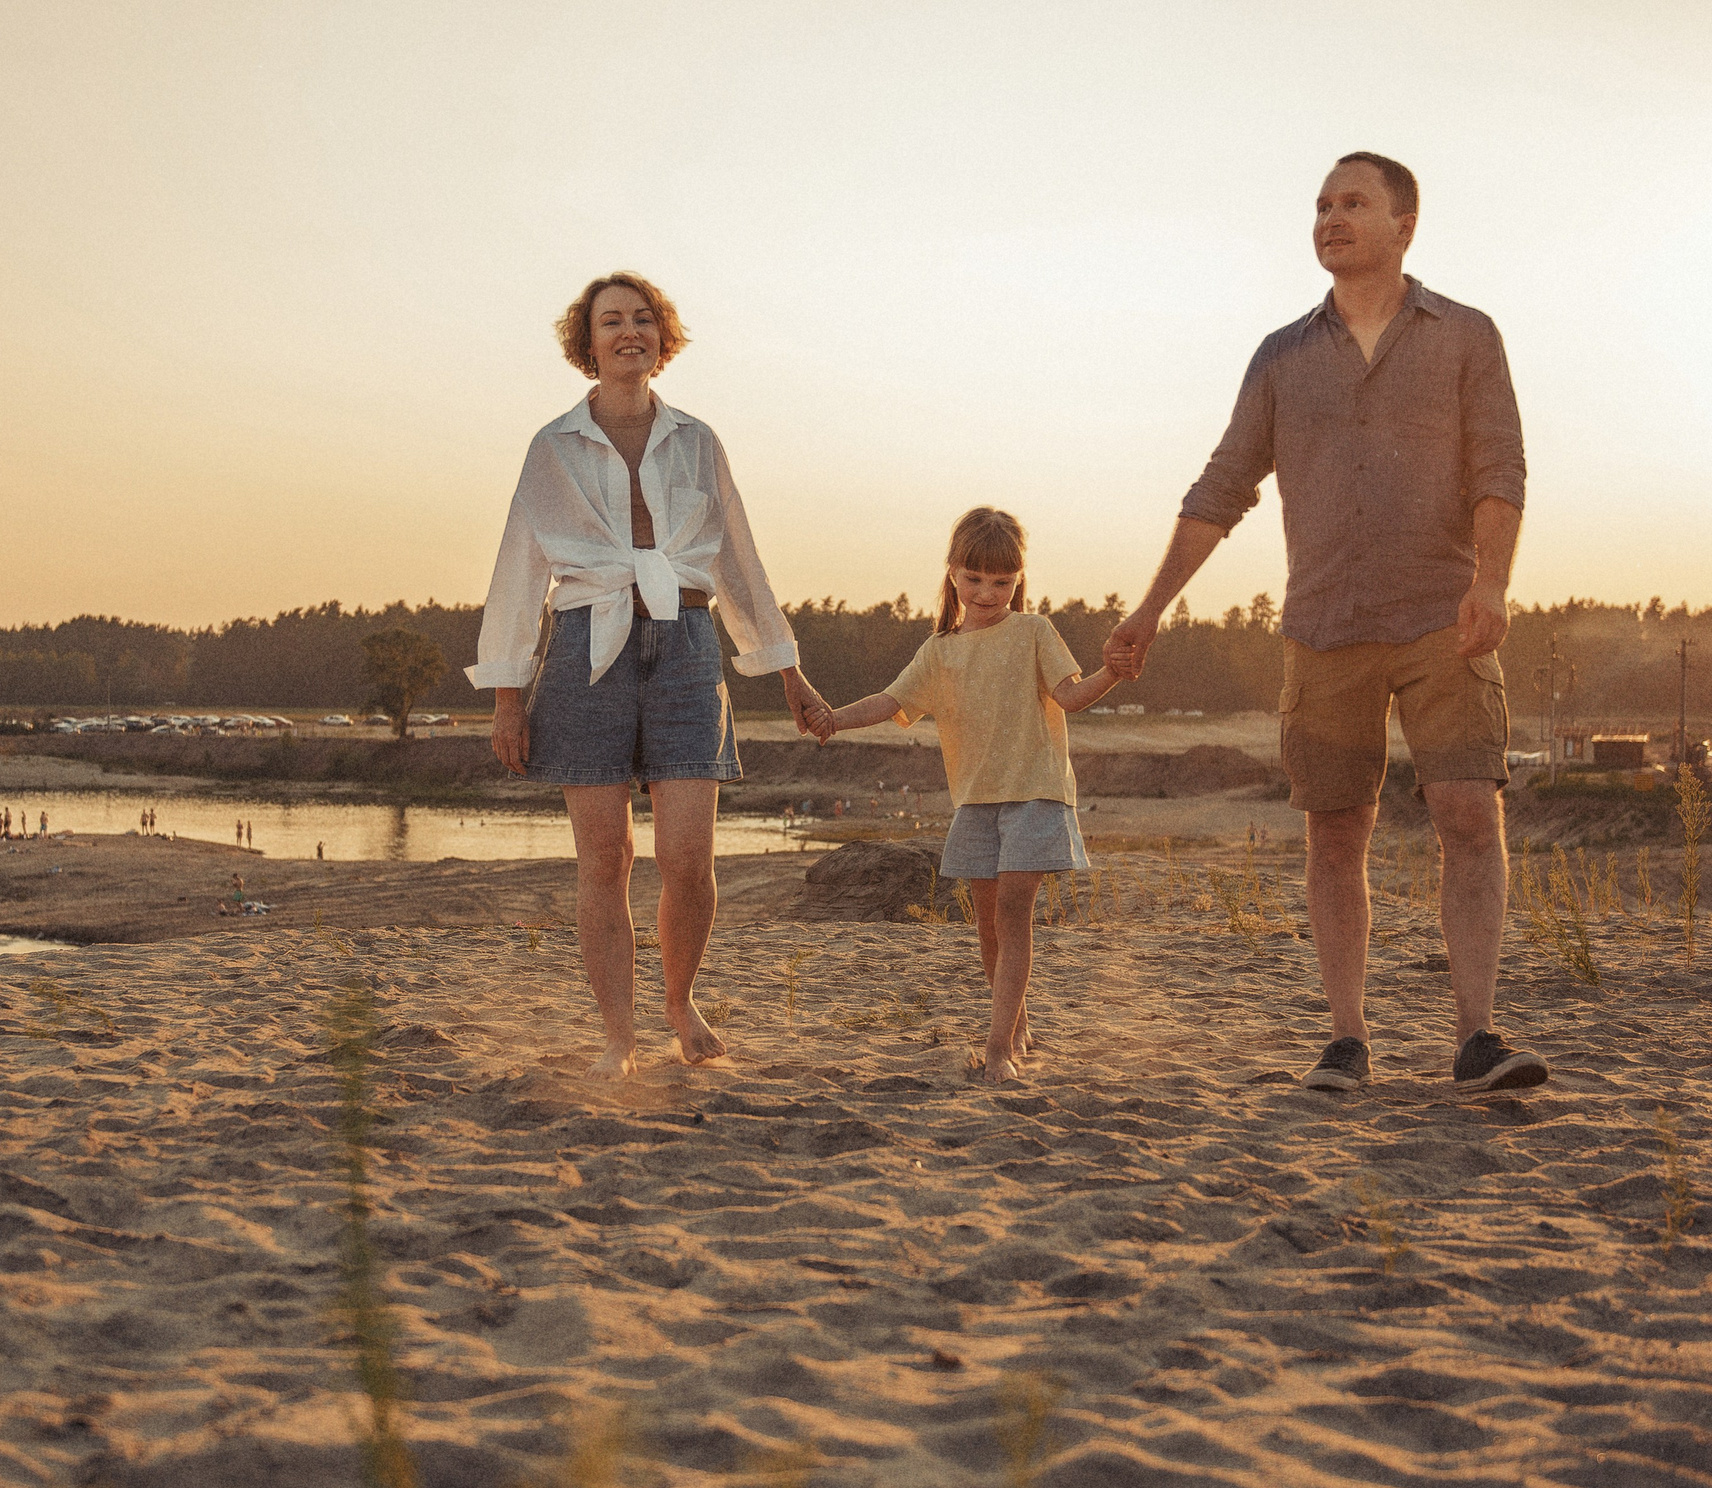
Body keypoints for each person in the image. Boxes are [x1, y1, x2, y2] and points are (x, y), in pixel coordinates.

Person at [1102, 152, 1545, 1095]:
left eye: (1353, 203)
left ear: (1404, 226)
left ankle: (1477, 1037)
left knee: (1468, 810)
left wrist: (1493, 582)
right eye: (1320, 206)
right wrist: (1149, 609)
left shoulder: (1467, 336)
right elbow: (1222, 487)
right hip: (1324, 626)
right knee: (1336, 833)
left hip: (1442, 615)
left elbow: (1500, 467)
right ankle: (1347, 1037)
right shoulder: (1281, 356)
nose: (1330, 218)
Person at [471, 270, 833, 1078]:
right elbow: (520, 567)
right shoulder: (552, 446)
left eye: (642, 320)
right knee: (605, 859)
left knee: (688, 857)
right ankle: (618, 1035)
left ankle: (680, 999)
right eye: (611, 322)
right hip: (583, 647)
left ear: (660, 340)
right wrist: (506, 697)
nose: (627, 332)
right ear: (587, 342)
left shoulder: (698, 441)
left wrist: (787, 671)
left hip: (686, 645)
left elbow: (740, 561)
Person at [806, 508, 1132, 1081]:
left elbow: (1073, 697)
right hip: (976, 802)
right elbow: (890, 700)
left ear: (1019, 580)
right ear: (953, 572)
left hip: (1036, 792)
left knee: (1012, 912)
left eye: (1002, 582)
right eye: (975, 578)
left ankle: (999, 1048)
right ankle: (1017, 1021)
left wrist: (1112, 671)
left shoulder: (1034, 632)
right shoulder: (939, 651)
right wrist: (834, 718)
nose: (987, 592)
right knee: (986, 927)